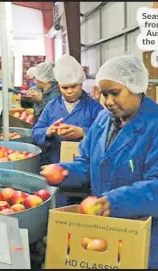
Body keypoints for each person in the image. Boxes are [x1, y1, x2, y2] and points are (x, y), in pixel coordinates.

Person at [40, 55, 158, 269]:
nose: (108, 101)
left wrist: (115, 201)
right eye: (103, 94)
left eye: (115, 93)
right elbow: (88, 162)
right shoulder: (104, 120)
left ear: (137, 87)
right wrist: (64, 171)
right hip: (117, 233)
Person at [31, 55, 103, 206]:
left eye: (74, 86)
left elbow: (106, 136)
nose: (70, 91)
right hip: (56, 169)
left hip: (86, 175)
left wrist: (83, 133)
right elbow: (35, 133)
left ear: (81, 84)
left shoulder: (94, 108)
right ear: (58, 86)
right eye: (65, 87)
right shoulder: (51, 107)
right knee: (59, 209)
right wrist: (48, 131)